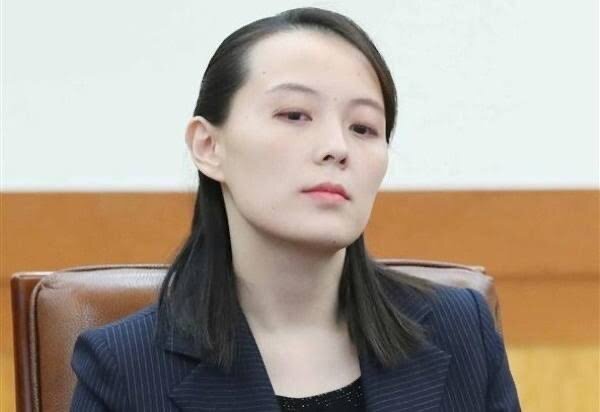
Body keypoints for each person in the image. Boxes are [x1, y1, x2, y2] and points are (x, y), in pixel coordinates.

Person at [69, 7, 521, 411]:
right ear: (208, 146)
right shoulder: (123, 367)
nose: (336, 147)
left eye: (363, 127)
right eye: (294, 115)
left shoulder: (461, 330)